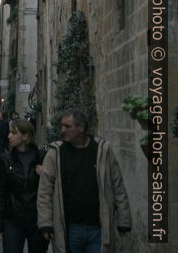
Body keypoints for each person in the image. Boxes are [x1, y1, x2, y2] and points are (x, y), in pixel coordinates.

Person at [37, 108, 132, 253]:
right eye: (62, 126)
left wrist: (124, 220)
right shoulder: (55, 153)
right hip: (70, 227)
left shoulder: (103, 151)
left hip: (99, 227)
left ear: (81, 128)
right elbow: (45, 191)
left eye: (67, 126)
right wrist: (45, 223)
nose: (62, 130)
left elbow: (117, 185)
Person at [0, 118, 48, 253]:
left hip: (36, 220)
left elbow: (51, 189)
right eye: (9, 132)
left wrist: (45, 174)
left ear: (25, 136)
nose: (9, 136)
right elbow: (1, 193)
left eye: (13, 133)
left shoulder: (41, 157)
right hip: (12, 220)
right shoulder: (5, 159)